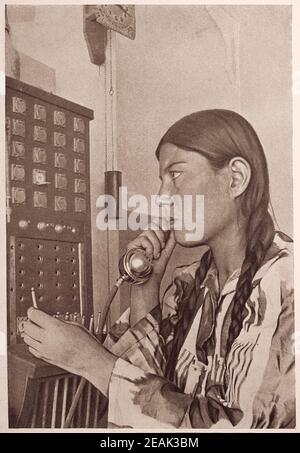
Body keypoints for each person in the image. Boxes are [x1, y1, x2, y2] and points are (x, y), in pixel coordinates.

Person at [22, 109, 294, 429]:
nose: (162, 197)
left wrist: (92, 361)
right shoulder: (187, 284)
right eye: (161, 181)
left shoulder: (287, 283)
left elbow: (237, 425)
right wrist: (145, 287)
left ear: (235, 178)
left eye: (176, 174)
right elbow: (152, 412)